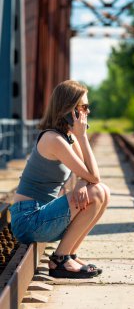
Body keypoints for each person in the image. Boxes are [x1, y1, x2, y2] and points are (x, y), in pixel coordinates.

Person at [9, 80, 110, 279]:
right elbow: (94, 176)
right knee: (97, 191)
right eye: (84, 107)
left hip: (43, 214)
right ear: (69, 109)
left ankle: (70, 253)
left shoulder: (66, 137)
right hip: (29, 218)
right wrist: (82, 137)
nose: (87, 112)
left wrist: (82, 181)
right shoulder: (53, 139)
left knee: (104, 192)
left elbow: (88, 173)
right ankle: (60, 259)